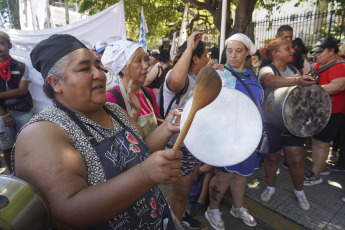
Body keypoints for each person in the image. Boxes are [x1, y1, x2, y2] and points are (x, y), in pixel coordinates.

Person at [13, 34, 184, 229]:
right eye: (85, 68)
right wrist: (145, 174)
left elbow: (143, 149)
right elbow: (67, 212)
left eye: (97, 66)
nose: (100, 74)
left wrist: (167, 128)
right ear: (55, 82)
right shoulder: (42, 133)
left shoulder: (114, 111)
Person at [204, 33, 263, 230]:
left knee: (241, 174)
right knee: (224, 175)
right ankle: (212, 209)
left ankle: (237, 208)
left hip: (249, 136)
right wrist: (209, 70)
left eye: (238, 51)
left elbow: (257, 104)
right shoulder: (220, 73)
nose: (233, 55)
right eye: (229, 51)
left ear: (247, 53)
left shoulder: (252, 75)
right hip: (226, 136)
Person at [258, 37, 315, 210]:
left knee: (297, 159)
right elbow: (270, 81)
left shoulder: (293, 69)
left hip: (293, 123)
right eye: (288, 48)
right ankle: (270, 187)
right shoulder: (267, 69)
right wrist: (297, 81)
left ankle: (300, 192)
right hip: (272, 122)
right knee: (272, 157)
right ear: (276, 53)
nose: (292, 51)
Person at [163, 31, 210, 229]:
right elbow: (174, 82)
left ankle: (174, 218)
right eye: (206, 55)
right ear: (196, 58)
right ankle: (175, 224)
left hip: (192, 145)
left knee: (183, 191)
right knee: (181, 194)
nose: (209, 58)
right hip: (178, 145)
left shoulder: (197, 78)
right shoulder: (179, 79)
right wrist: (190, 47)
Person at [304, 37, 345, 186]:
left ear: (332, 51)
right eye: (316, 52)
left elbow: (338, 86)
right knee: (317, 140)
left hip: (333, 112)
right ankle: (321, 167)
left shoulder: (340, 66)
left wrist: (312, 90)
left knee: (321, 142)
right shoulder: (317, 66)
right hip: (319, 111)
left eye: (320, 52)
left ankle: (315, 174)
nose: (317, 55)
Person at [102, 40, 164, 137]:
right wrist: (135, 112)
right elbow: (118, 140)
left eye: (145, 60)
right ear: (123, 68)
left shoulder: (148, 93)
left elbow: (160, 125)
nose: (145, 66)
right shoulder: (111, 98)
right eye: (139, 61)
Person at [0, 30, 33, 173]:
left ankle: (32, 172)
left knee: (28, 144)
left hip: (22, 111)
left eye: (1, 43)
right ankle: (14, 175)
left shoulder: (21, 66)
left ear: (10, 45)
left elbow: (22, 91)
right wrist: (4, 115)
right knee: (6, 146)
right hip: (2, 114)